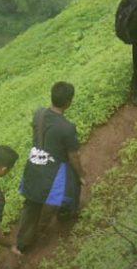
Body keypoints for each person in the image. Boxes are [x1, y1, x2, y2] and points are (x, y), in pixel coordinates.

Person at [16, 82, 85, 252]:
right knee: (73, 183)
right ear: (69, 102)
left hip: (33, 167)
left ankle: (22, 243)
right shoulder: (67, 128)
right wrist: (81, 175)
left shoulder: (39, 114)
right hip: (52, 173)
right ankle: (66, 213)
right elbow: (73, 157)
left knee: (31, 205)